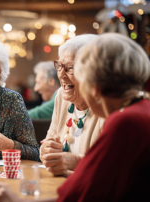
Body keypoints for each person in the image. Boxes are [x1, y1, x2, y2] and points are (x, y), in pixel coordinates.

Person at [0, 32, 150, 202]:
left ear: (95, 85)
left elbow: (80, 193)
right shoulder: (142, 110)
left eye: (80, 75)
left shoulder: (124, 121)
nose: (62, 76)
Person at [40, 34, 105, 176]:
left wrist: (76, 162)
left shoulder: (106, 106)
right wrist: (46, 150)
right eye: (59, 66)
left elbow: (111, 166)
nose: (61, 75)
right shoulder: (61, 98)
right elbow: (48, 141)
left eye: (69, 68)